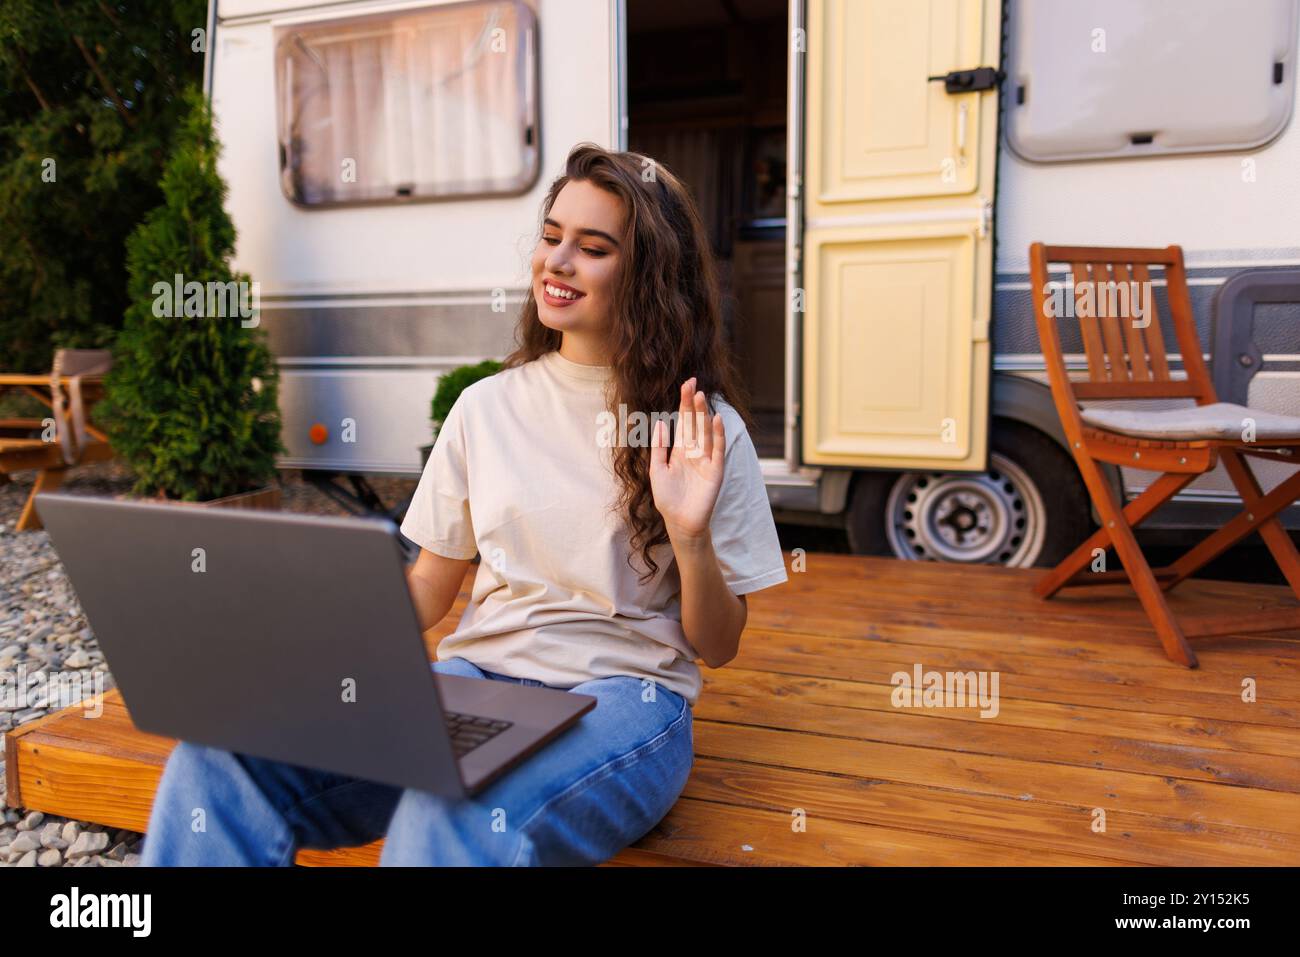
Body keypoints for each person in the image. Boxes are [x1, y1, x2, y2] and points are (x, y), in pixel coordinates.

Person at [140, 143, 788, 866]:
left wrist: (689, 536)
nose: (558, 261)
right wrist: (303, 629)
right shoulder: (485, 408)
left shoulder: (702, 426)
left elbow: (719, 644)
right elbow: (427, 588)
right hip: (477, 683)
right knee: (220, 759)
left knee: (451, 809)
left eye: (594, 247)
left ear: (648, 273)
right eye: (551, 236)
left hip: (624, 699)